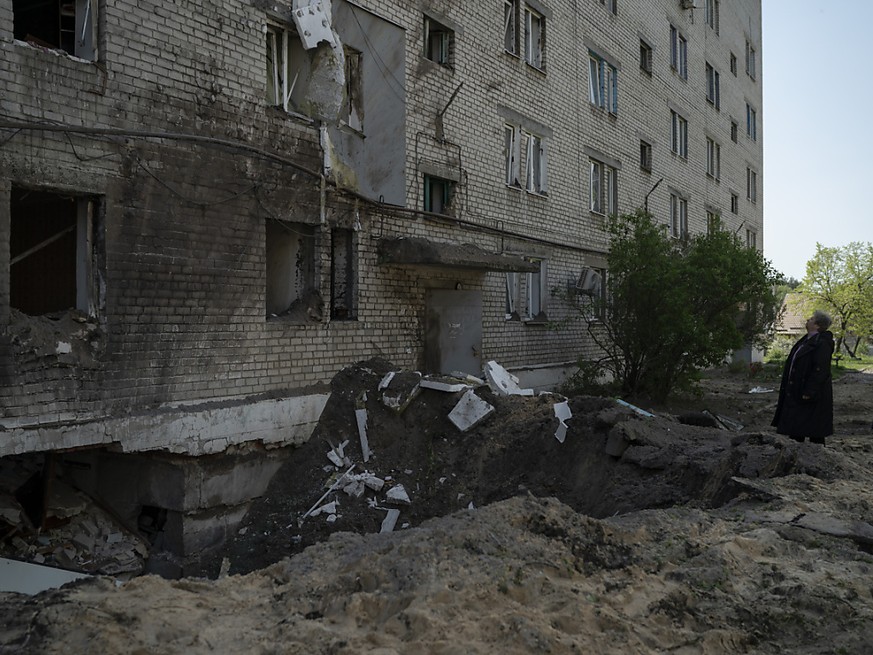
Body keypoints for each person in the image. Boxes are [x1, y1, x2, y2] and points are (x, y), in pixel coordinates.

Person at [772, 310, 834, 445]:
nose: (808, 320)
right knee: (798, 427)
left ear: (817, 325)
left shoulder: (822, 343)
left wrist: (810, 391)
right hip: (798, 389)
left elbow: (820, 370)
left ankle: (818, 459)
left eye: (811, 319)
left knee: (814, 431)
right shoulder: (807, 340)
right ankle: (795, 455)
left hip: (811, 393)